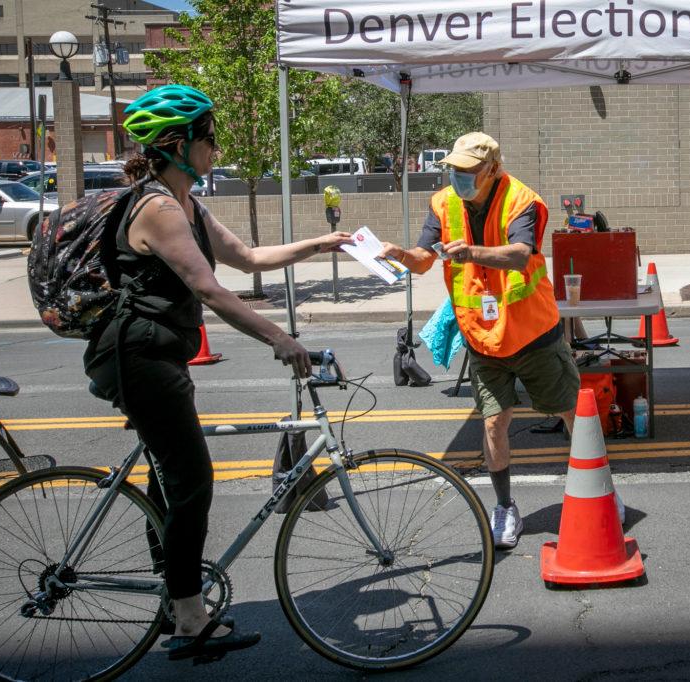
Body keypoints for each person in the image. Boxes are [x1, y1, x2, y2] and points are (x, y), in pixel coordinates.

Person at [84, 84, 352, 661]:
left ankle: (171, 598)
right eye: (209, 138)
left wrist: (323, 244)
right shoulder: (155, 207)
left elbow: (249, 258)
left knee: (169, 481)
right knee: (194, 481)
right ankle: (188, 619)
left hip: (158, 356)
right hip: (138, 357)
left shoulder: (189, 206)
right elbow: (208, 288)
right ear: (178, 144)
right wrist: (280, 338)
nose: (216, 148)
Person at [379, 132, 580, 550]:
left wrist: (469, 253)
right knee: (493, 422)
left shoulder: (522, 200)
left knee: (570, 414)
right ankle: (505, 507)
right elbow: (423, 259)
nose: (458, 177)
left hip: (532, 334)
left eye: (468, 171)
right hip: (483, 340)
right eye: (454, 168)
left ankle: (597, 489)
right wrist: (398, 253)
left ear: (492, 169)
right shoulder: (442, 202)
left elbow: (521, 254)